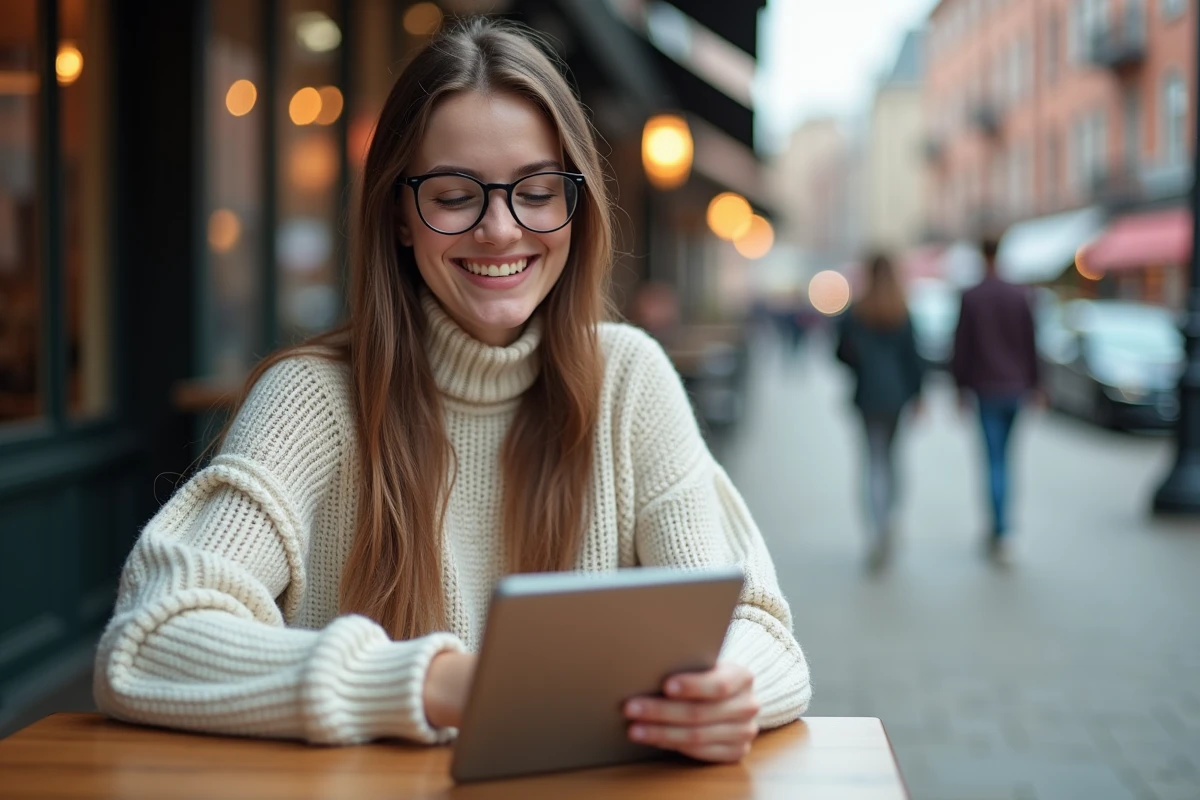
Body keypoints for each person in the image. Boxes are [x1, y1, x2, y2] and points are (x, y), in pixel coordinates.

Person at [92, 18, 810, 764]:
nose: (500, 229)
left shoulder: (629, 380)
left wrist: (732, 689)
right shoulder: (310, 399)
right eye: (453, 193)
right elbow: (149, 642)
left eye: (536, 191)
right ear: (401, 215)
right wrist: (442, 683)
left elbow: (757, 627)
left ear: (576, 205)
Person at [950, 238, 1041, 565]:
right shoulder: (1021, 295)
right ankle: (1004, 531)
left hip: (985, 389)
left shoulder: (972, 297)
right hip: (1015, 388)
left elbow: (960, 347)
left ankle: (998, 528)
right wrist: (1037, 384)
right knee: (1007, 460)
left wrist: (958, 388)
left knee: (993, 461)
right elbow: (1032, 343)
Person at [835, 254, 924, 570]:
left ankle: (877, 527)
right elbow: (914, 357)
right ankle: (891, 519)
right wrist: (918, 395)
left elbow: (840, 354)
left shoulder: (857, 311)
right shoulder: (902, 310)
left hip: (867, 395)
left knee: (873, 462)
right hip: (896, 395)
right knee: (893, 459)